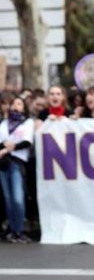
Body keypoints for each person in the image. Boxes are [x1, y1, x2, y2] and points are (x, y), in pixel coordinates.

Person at [0, 96, 34, 243]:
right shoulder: (3, 123)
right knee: (8, 199)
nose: (15, 106)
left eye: (19, 104)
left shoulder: (27, 123)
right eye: (13, 103)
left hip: (17, 163)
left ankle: (19, 229)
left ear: (24, 108)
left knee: (18, 199)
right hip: (3, 164)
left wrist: (8, 148)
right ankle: (13, 230)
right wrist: (6, 147)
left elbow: (26, 142)